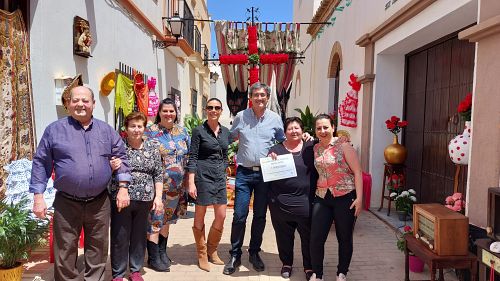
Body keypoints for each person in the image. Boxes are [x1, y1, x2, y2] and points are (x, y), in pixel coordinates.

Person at [30, 86, 131, 280]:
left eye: (85, 100)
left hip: (99, 202)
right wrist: (38, 196)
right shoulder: (54, 130)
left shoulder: (107, 131)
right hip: (66, 203)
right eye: (75, 100)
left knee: (98, 249)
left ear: (93, 104)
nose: (80, 104)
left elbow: (121, 156)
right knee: (65, 251)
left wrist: (123, 187)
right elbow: (41, 162)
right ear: (68, 104)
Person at [223, 82, 286, 275]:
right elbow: (230, 137)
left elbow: (283, 142)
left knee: (259, 215)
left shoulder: (275, 119)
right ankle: (235, 254)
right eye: (256, 95)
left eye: (262, 95)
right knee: (239, 215)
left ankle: (254, 252)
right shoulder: (241, 117)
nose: (259, 98)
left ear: (267, 98)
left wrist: (304, 139)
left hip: (265, 174)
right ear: (251, 97)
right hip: (243, 173)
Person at [109, 112, 164, 281]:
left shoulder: (152, 147)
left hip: (145, 199)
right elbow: (106, 171)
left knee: (139, 235)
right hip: (121, 198)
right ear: (126, 128)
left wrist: (158, 197)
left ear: (144, 128)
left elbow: (158, 174)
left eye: (140, 126)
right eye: (132, 126)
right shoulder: (118, 147)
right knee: (120, 236)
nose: (136, 130)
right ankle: (118, 273)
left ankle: (135, 270)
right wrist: (111, 166)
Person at [309, 114, 363, 281]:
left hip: (345, 197)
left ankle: (342, 272)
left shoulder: (344, 146)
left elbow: (357, 172)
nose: (322, 131)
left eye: (326, 127)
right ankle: (317, 274)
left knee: (344, 237)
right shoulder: (315, 148)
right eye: (319, 128)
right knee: (316, 237)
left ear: (333, 127)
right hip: (322, 197)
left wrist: (359, 199)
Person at [268, 117, 317, 280]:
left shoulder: (311, 147)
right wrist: (270, 159)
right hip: (281, 204)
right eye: (290, 129)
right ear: (285, 131)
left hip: (306, 203)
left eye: (297, 128)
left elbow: (330, 142)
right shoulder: (275, 150)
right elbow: (269, 174)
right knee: (284, 236)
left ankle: (309, 266)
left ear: (302, 131)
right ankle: (286, 263)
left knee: (308, 237)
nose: (294, 131)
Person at [144, 98, 190, 272]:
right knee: (155, 219)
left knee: (168, 220)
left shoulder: (183, 132)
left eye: (172, 111)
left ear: (176, 113)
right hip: (157, 187)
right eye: (165, 111)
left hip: (176, 188)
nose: (169, 114)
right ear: (159, 112)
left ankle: (162, 252)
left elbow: (189, 156)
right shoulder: (150, 132)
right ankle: (153, 257)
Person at [186, 98, 230, 272]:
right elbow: (193, 156)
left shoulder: (226, 131)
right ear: (206, 110)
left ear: (221, 111)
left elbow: (226, 154)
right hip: (202, 176)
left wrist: (224, 169)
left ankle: (212, 250)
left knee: (221, 215)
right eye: (210, 107)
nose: (213, 110)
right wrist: (191, 181)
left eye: (217, 108)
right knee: (200, 214)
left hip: (219, 177)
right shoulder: (198, 131)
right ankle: (202, 254)